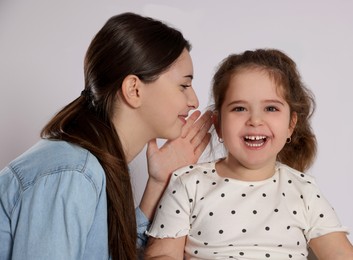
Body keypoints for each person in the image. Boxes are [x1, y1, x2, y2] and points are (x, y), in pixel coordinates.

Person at [0, 12, 212, 260]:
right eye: (184, 85)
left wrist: (158, 182)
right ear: (134, 89)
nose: (194, 100)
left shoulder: (91, 167)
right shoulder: (72, 173)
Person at [144, 49, 353, 259]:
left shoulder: (304, 191)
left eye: (271, 108)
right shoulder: (188, 183)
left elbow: (341, 254)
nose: (255, 120)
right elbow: (162, 253)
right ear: (218, 124)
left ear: (291, 125)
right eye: (239, 108)